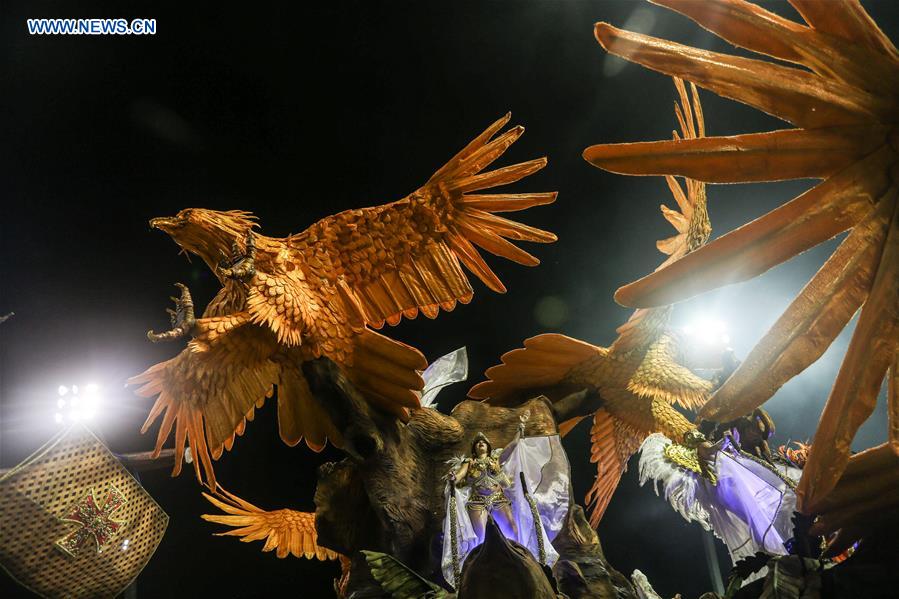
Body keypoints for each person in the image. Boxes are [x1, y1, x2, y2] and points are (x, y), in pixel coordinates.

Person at [441, 411, 570, 588]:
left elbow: (513, 445)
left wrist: (521, 426)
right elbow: (460, 474)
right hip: (477, 502)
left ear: (487, 446)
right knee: (482, 537)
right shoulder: (469, 462)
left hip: (498, 499)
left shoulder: (496, 458)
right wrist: (453, 477)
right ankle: (485, 571)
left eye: (483, 443)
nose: (480, 445)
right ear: (475, 448)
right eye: (477, 443)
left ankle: (520, 562)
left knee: (513, 529)